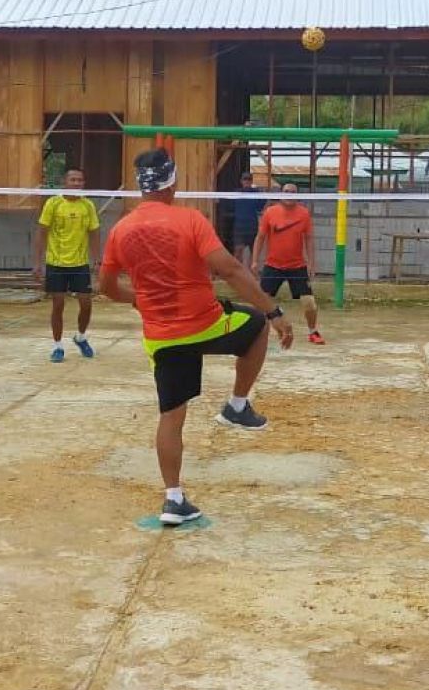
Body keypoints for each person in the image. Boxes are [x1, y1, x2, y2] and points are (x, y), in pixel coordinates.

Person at [99, 148, 292, 526]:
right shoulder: (190, 219)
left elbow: (105, 286)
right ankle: (237, 406)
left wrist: (136, 299)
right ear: (173, 181)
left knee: (171, 417)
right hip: (206, 323)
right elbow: (232, 269)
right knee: (255, 325)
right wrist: (274, 311)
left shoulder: (121, 229)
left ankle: (173, 499)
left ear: (141, 187)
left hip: (162, 336)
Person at [34, 168, 101, 363]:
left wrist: (97, 260)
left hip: (80, 264)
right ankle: (57, 346)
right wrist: (37, 263)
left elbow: (95, 233)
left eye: (80, 180)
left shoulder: (88, 205)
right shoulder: (53, 203)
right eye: (73, 180)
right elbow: (41, 232)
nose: (77, 183)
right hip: (56, 263)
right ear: (65, 182)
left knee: (86, 304)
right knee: (58, 304)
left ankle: (80, 337)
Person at [252, 183, 324, 345]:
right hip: (273, 266)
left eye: (293, 192)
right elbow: (260, 237)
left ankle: (313, 331)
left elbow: (309, 239)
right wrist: (255, 261)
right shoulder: (270, 213)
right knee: (261, 301)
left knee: (309, 303)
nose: (289, 194)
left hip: (297, 266)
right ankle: (257, 332)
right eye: (286, 191)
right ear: (281, 193)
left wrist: (312, 264)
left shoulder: (304, 214)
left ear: (297, 195)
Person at [231, 172, 265, 268]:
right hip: (239, 226)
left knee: (254, 251)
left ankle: (253, 273)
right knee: (238, 251)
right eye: (245, 179)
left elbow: (260, 207)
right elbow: (230, 206)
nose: (247, 181)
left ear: (251, 181)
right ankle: (238, 273)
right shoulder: (235, 193)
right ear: (241, 181)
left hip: (252, 226)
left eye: (249, 179)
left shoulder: (257, 193)